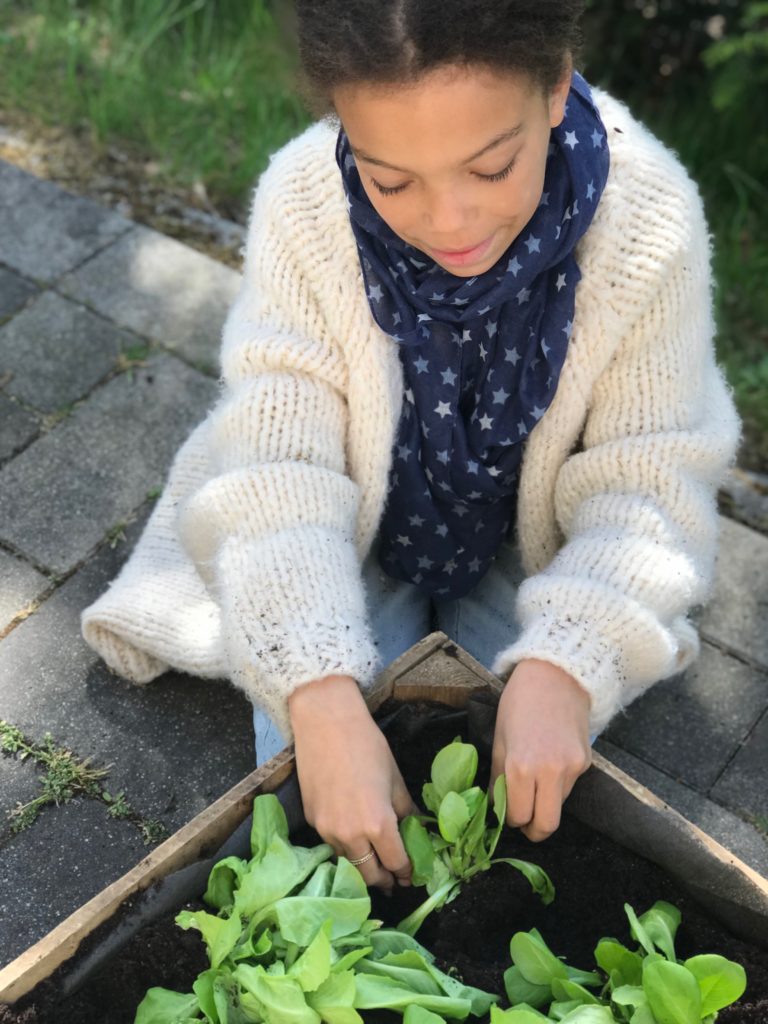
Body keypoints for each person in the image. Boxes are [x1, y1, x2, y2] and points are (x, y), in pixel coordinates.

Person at [81, 0, 740, 893]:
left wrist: (569, 661)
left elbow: (652, 480)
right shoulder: (305, 205)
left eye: (493, 165)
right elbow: (280, 469)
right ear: (340, 125)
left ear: (555, 86)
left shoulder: (648, 220)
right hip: (355, 521)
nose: (450, 220)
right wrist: (316, 692)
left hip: (528, 536)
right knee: (317, 783)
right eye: (392, 182)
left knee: (526, 776)